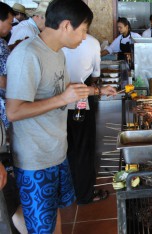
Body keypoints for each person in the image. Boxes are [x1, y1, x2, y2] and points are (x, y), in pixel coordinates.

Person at [6, 0, 93, 233]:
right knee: (42, 224)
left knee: (50, 214)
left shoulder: (56, 53)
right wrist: (63, 99)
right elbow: (13, 111)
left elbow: (59, 92)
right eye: (83, 30)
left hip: (55, 150)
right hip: (35, 158)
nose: (84, 37)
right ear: (66, 25)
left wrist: (95, 91)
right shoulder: (27, 54)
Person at [63, 34, 116, 204]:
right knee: (84, 149)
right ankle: (85, 194)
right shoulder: (91, 42)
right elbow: (94, 77)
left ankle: (68, 192)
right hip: (80, 103)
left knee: (67, 148)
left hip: (57, 107)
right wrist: (98, 90)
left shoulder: (52, 42)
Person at [0, 3, 27, 233]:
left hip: (5, 119)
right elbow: (3, 81)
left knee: (10, 196)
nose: (11, 26)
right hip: (5, 113)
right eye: (9, 21)